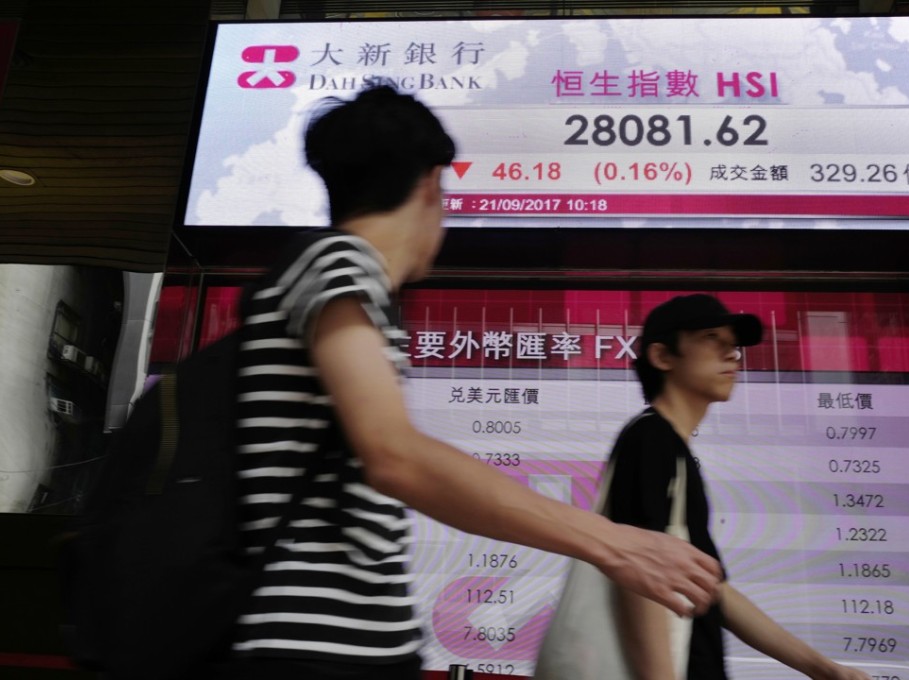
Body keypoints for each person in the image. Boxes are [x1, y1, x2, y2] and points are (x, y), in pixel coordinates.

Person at [218, 85, 722, 680]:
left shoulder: (341, 280)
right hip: (313, 649)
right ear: (432, 183)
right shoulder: (339, 263)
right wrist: (614, 544)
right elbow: (394, 455)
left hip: (348, 645)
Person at [607, 293, 872, 680]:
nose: (732, 354)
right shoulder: (650, 440)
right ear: (663, 357)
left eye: (733, 344)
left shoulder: (673, 449)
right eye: (713, 339)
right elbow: (637, 577)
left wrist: (825, 669)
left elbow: (714, 590)